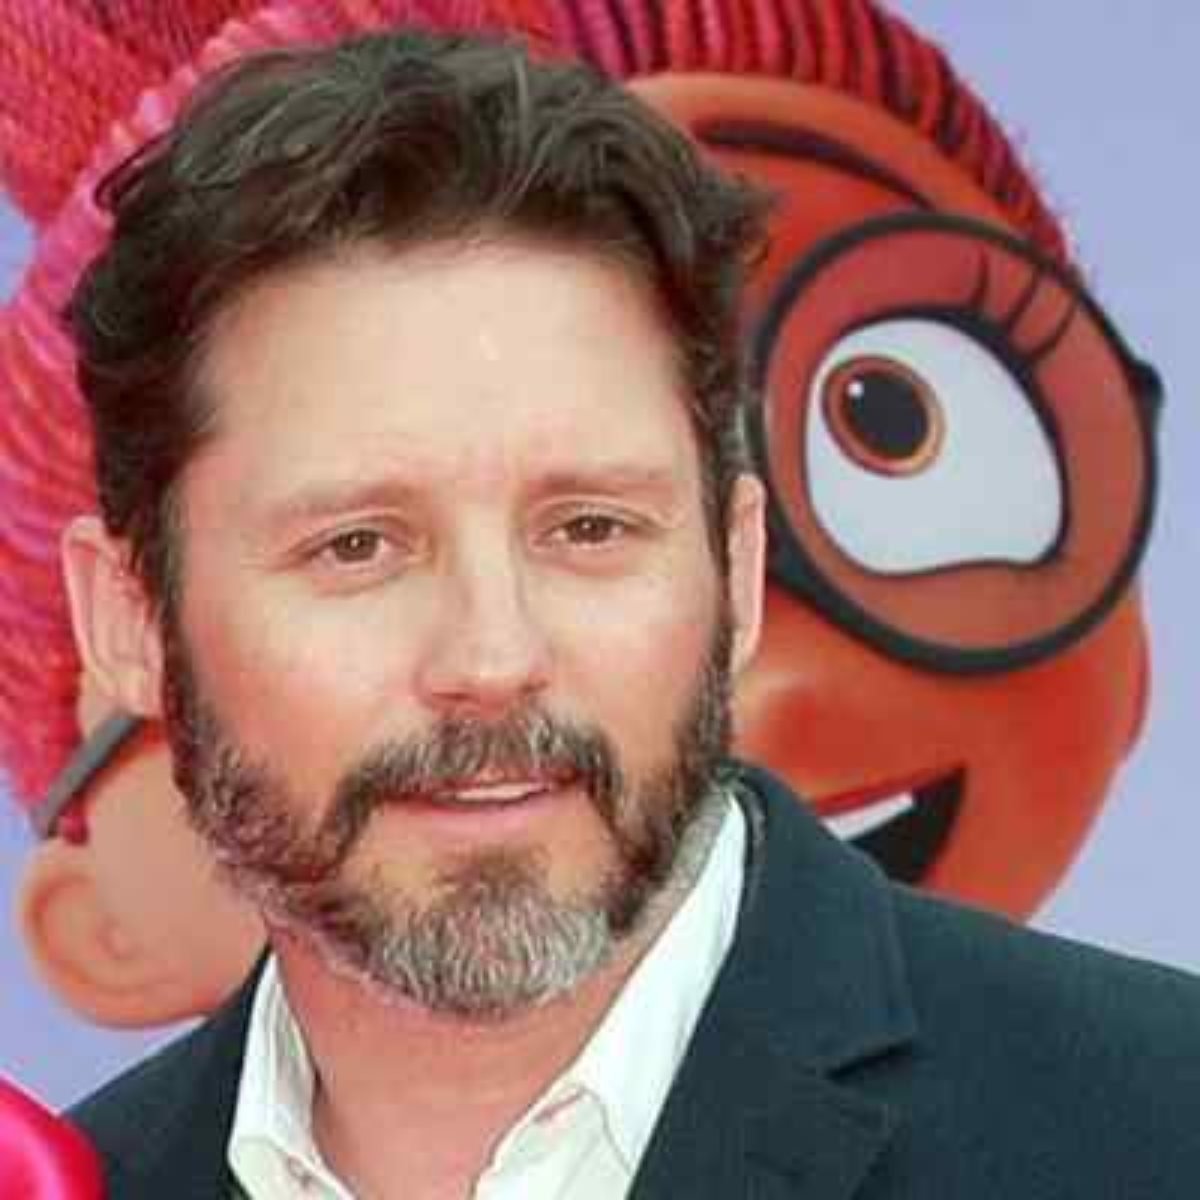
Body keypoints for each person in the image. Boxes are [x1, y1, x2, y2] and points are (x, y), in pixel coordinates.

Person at [61, 22, 1199, 1199]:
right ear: (131, 620)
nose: (493, 658)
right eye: (358, 548)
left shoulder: (1163, 1127)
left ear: (735, 567)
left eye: (590, 529)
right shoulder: (85, 1182)